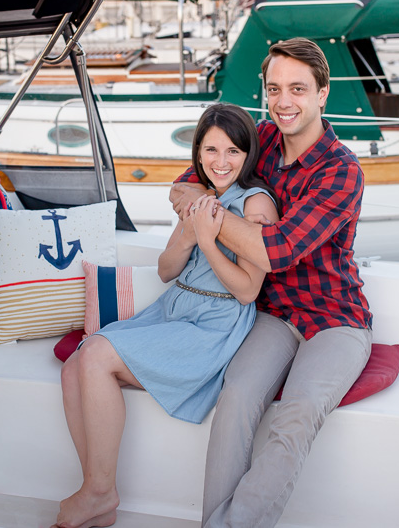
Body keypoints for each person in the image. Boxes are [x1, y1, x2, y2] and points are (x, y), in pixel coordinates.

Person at [169, 37, 373, 528]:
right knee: (236, 397)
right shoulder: (257, 139)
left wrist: (209, 215)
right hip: (274, 315)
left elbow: (273, 250)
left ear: (323, 94)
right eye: (274, 87)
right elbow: (183, 183)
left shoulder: (340, 171)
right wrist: (208, 202)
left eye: (298, 89)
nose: (284, 101)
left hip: (335, 320)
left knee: (296, 415)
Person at [54, 103, 280, 528]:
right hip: (175, 306)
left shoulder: (256, 205)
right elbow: (165, 270)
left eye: (233, 151)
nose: (221, 161)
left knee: (98, 354)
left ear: (248, 155)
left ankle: (99, 492)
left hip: (214, 324)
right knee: (75, 365)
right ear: (198, 153)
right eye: (211, 150)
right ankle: (96, 492)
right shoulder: (202, 195)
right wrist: (190, 231)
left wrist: (211, 241)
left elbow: (249, 290)